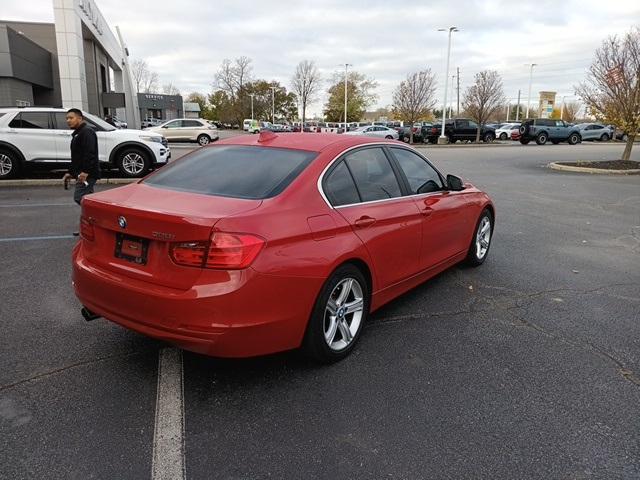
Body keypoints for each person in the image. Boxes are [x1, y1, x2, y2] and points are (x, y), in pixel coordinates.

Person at [62, 108, 100, 234]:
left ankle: (97, 223)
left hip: (87, 174)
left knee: (81, 198)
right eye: (67, 118)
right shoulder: (78, 133)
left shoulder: (86, 132)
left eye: (71, 118)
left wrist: (85, 172)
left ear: (80, 118)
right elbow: (77, 157)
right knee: (87, 200)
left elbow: (90, 153)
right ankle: (90, 227)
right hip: (82, 173)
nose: (68, 120)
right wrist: (71, 172)